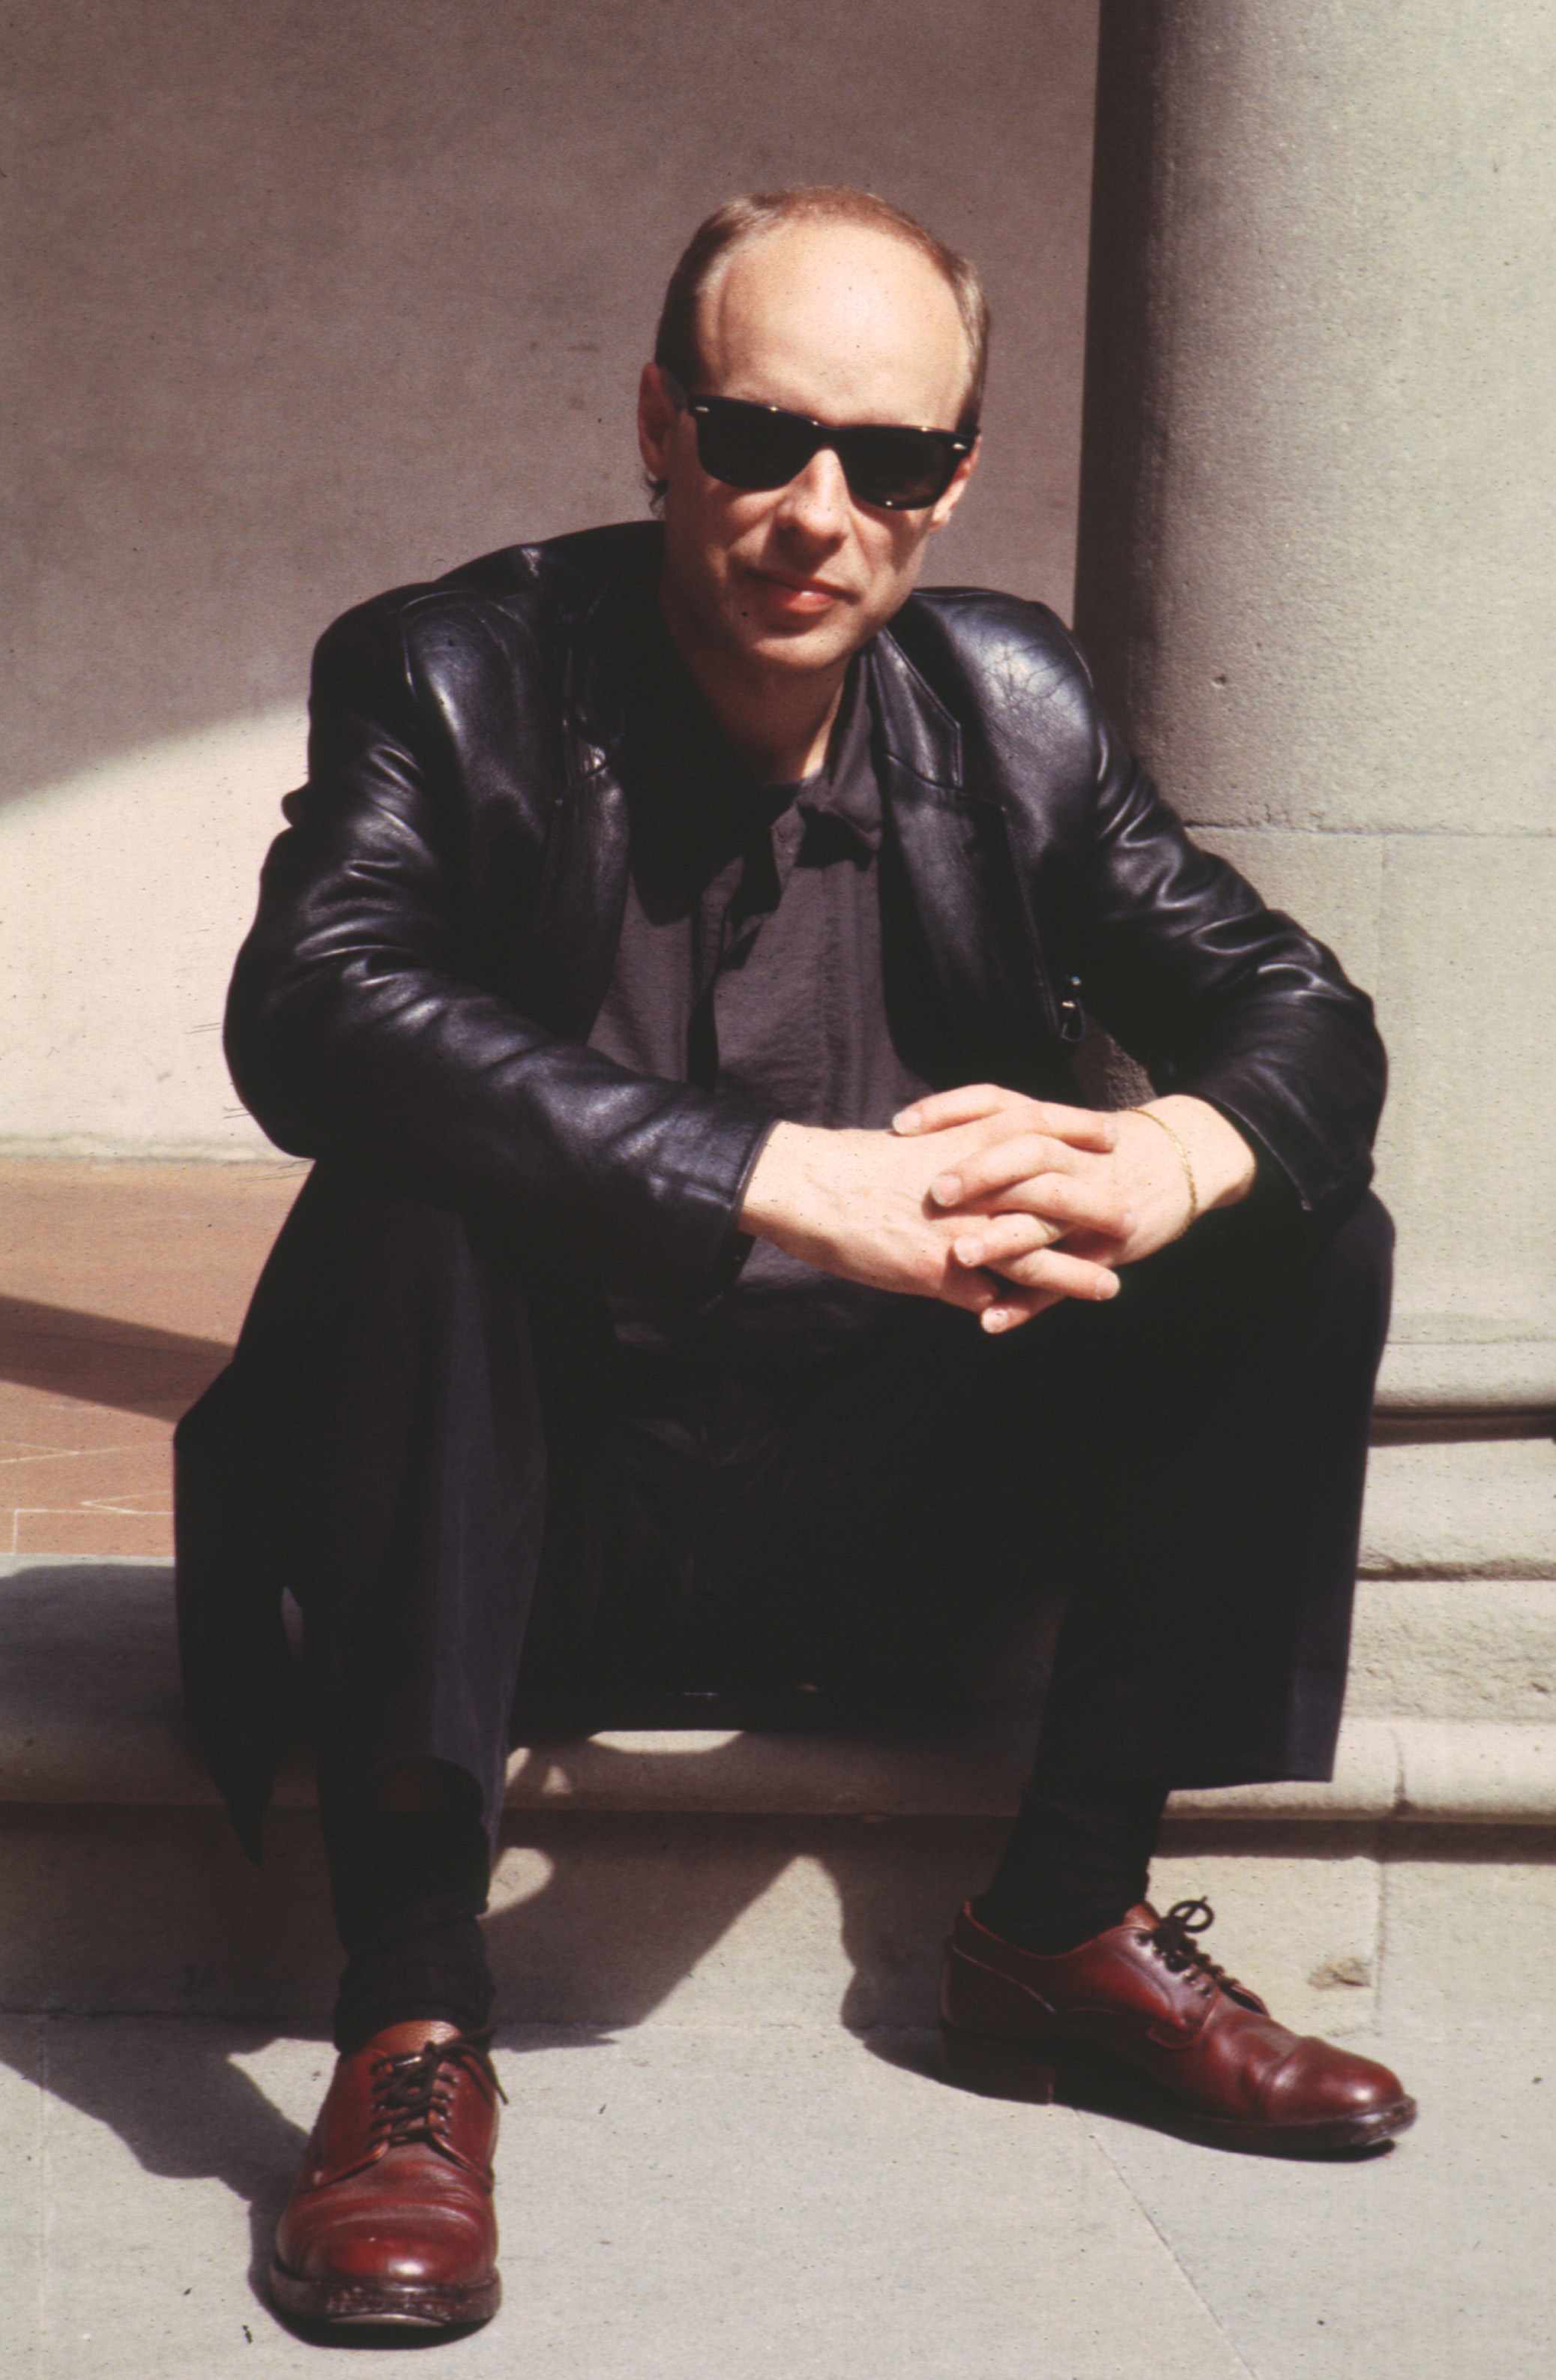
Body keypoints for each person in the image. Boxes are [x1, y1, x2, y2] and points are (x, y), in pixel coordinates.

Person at [175, 184, 1414, 2334]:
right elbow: (312, 1007)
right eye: (760, 439)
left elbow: (1298, 1011)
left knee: (1296, 1220)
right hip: (525, 1526)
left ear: (954, 477)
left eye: (892, 457)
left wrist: (1172, 1149)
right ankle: (412, 2022)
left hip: (871, 1517)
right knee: (406, 1186)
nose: (818, 514)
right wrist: (765, 1172)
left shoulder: (1013, 706)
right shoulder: (454, 673)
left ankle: (1063, 1922)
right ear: (660, 426)